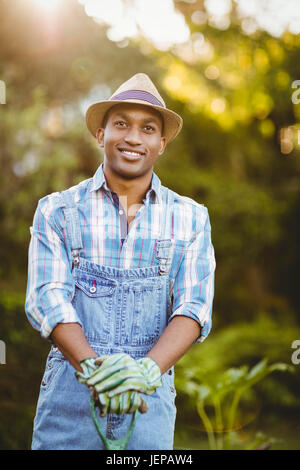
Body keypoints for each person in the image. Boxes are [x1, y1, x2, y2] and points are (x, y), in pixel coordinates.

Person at [25, 73, 216, 450]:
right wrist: (94, 370)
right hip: (70, 402)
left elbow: (193, 307)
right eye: (121, 124)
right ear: (101, 134)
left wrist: (146, 371)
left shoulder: (191, 218)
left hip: (149, 404)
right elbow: (47, 297)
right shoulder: (56, 211)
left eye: (147, 128)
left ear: (161, 144)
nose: (133, 138)